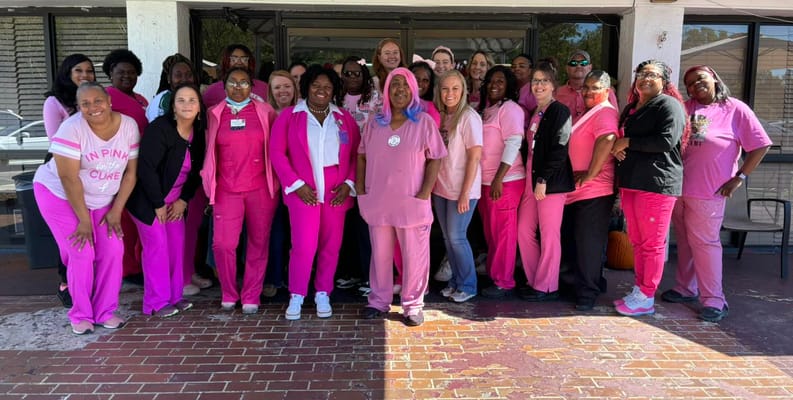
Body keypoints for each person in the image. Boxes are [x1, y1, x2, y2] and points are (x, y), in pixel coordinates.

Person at [664, 65, 771, 322]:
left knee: (705, 243)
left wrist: (740, 177)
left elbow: (760, 145)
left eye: (700, 79)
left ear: (713, 78)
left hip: (709, 191)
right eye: (689, 83)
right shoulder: (686, 108)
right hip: (679, 188)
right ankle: (685, 287)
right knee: (686, 241)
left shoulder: (735, 108)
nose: (695, 85)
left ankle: (714, 300)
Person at [33, 82, 139, 334]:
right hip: (58, 195)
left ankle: (104, 311)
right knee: (82, 252)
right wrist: (83, 221)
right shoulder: (71, 129)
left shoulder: (128, 126)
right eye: (85, 104)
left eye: (98, 101)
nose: (93, 108)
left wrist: (115, 211)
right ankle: (80, 314)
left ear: (109, 101)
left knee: (113, 249)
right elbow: (69, 179)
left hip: (101, 199)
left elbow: (130, 174)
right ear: (78, 108)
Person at [356, 68, 447, 326]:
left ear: (414, 91)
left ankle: (413, 305)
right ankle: (378, 301)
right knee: (381, 256)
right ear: (386, 91)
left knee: (415, 256)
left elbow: (436, 159)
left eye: (405, 85)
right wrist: (361, 189)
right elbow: (361, 155)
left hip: (412, 202)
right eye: (394, 85)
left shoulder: (424, 122)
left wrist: (424, 193)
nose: (400, 90)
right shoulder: (374, 122)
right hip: (378, 201)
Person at [271, 65, 361, 320]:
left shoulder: (343, 118)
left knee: (331, 245)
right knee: (303, 245)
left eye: (327, 87)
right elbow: (277, 153)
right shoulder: (290, 116)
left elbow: (356, 153)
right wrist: (296, 184)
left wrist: (349, 183)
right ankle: (297, 294)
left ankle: (323, 292)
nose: (321, 90)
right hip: (304, 189)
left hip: (336, 189)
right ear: (307, 86)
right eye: (316, 85)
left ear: (334, 91)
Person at [611, 59, 688, 317]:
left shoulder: (669, 105)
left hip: (657, 183)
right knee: (637, 241)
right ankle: (639, 289)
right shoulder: (634, 107)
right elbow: (623, 141)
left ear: (664, 81)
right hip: (632, 182)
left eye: (652, 75)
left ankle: (647, 295)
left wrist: (627, 142)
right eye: (641, 74)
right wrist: (620, 150)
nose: (645, 78)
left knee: (652, 243)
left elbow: (666, 141)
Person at [200, 67, 279, 314]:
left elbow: (275, 149)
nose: (238, 87)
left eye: (244, 82)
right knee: (223, 244)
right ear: (224, 87)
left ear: (251, 86)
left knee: (258, 243)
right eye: (233, 82)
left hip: (261, 188)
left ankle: (251, 294)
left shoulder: (266, 111)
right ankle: (229, 291)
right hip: (226, 188)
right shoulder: (214, 114)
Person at [127, 83, 206, 317]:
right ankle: (155, 303)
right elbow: (146, 169)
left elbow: (197, 172)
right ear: (172, 106)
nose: (187, 105)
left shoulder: (198, 133)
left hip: (174, 201)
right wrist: (158, 204)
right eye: (181, 100)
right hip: (147, 201)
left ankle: (174, 297)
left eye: (192, 100)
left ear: (200, 106)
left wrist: (183, 200)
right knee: (157, 248)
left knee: (175, 246)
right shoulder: (159, 129)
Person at [559, 70, 618, 311]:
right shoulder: (591, 112)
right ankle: (579, 286)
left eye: (595, 88)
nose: (588, 92)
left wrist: (591, 173)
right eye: (586, 88)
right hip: (577, 190)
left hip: (594, 189)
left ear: (607, 91)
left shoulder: (605, 112)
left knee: (588, 245)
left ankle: (587, 293)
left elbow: (607, 139)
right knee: (576, 241)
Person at [516, 61, 574, 302]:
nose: (539, 85)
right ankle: (534, 279)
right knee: (523, 230)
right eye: (536, 80)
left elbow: (560, 148)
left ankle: (547, 286)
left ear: (553, 85)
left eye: (544, 81)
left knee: (550, 234)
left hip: (548, 182)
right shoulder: (536, 112)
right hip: (531, 179)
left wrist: (543, 179)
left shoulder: (559, 111)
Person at [42, 53, 96, 308]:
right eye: (79, 71)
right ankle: (66, 283)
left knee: (85, 233)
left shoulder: (95, 100)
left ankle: (84, 283)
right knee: (68, 235)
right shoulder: (55, 103)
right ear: (68, 74)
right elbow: (57, 142)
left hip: (91, 174)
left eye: (89, 71)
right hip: (63, 173)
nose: (85, 75)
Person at [433, 70, 483, 303]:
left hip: (462, 190)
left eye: (455, 88)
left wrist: (465, 193)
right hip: (441, 188)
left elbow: (474, 157)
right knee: (447, 238)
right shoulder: (440, 116)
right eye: (445, 88)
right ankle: (455, 282)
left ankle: (468, 285)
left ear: (463, 91)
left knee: (457, 237)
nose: (450, 93)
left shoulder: (469, 117)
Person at [476, 66, 526, 299]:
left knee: (504, 233)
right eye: (491, 81)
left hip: (505, 181)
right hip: (485, 182)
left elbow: (514, 143)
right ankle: (495, 275)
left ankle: (504, 281)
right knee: (491, 233)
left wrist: (498, 179)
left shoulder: (510, 109)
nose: (494, 85)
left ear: (509, 87)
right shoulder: (488, 110)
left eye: (500, 82)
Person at [102, 48, 148, 280]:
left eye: (132, 73)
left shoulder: (140, 99)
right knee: (123, 220)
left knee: (135, 218)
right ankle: (126, 268)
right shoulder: (106, 98)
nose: (127, 76)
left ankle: (136, 263)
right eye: (121, 72)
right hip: (117, 166)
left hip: (139, 165)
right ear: (111, 72)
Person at [337, 56, 379, 294]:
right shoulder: (334, 97)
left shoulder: (375, 99)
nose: (352, 78)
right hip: (340, 169)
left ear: (364, 76)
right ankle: (349, 272)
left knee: (365, 225)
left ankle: (368, 275)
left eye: (357, 74)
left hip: (368, 167)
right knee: (346, 224)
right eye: (348, 73)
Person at [262, 69, 299, 297]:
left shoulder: (303, 112)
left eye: (286, 86)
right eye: (277, 87)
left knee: (298, 234)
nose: (282, 91)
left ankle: (295, 276)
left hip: (299, 183)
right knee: (274, 234)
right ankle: (274, 278)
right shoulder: (264, 113)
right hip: (270, 183)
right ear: (270, 91)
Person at [555, 50, 619, 124]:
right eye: (573, 63)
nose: (579, 66)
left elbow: (615, 118)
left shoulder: (605, 92)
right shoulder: (557, 93)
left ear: (590, 67)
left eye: (583, 63)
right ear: (567, 68)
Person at [203, 44, 269, 107]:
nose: (239, 62)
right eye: (234, 59)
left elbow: (277, 113)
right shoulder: (212, 91)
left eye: (244, 59)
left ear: (249, 62)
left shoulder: (265, 88)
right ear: (226, 61)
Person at [145, 53, 196, 122]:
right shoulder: (166, 101)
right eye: (178, 75)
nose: (184, 80)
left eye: (189, 75)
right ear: (169, 78)